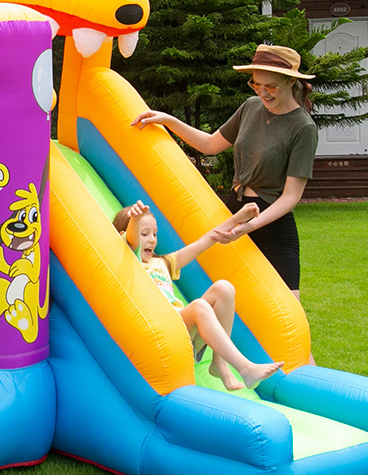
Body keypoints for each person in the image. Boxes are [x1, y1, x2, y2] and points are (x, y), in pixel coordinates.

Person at [131, 44, 318, 299]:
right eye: (256, 84)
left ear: (290, 82)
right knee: (226, 293)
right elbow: (210, 145)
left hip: (271, 221)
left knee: (289, 303)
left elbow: (291, 196)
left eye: (271, 87)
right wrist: (169, 120)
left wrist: (250, 226)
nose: (263, 92)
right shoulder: (251, 107)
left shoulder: (303, 128)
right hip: (235, 209)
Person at [114, 200, 284, 390]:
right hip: (159, 334)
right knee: (199, 306)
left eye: (154, 233)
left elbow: (205, 240)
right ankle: (246, 368)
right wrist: (135, 220)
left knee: (224, 288)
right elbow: (131, 242)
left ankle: (219, 364)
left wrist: (238, 218)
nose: (152, 240)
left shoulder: (164, 263)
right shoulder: (130, 262)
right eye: (144, 234)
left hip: (182, 330)